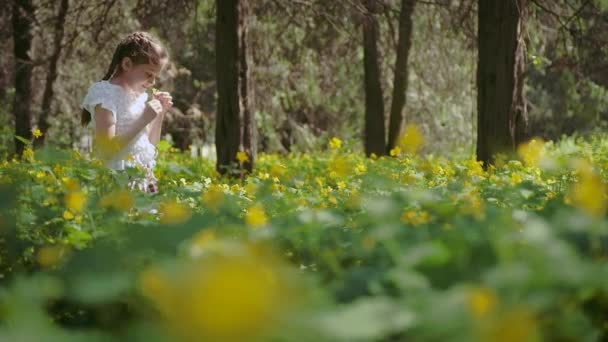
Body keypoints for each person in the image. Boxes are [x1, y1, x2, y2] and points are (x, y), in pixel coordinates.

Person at [81, 31, 173, 194]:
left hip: (145, 180)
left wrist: (159, 114)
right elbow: (106, 150)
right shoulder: (105, 94)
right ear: (127, 64)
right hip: (120, 180)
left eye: (155, 76)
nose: (152, 82)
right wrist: (144, 119)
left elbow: (150, 146)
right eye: (148, 74)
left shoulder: (139, 97)